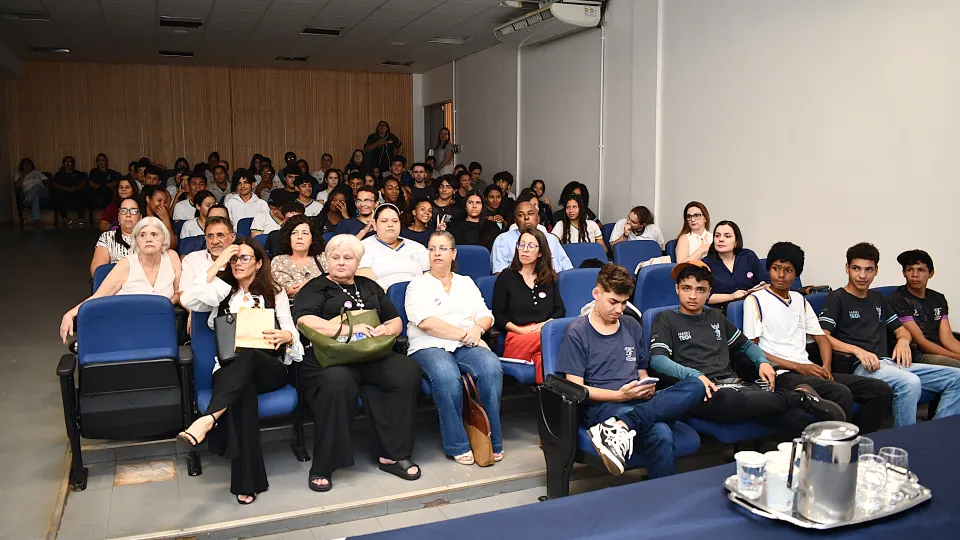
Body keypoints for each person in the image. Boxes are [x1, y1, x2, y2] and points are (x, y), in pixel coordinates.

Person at [649, 260, 846, 440]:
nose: (693, 296)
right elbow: (658, 360)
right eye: (686, 288)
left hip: (736, 386)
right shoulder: (666, 318)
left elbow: (746, 345)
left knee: (796, 418)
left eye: (700, 290)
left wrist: (762, 362)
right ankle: (800, 396)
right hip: (702, 391)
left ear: (709, 292)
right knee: (726, 400)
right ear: (677, 289)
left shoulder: (716, 317)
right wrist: (694, 375)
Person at [294, 234, 422, 491]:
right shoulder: (315, 287)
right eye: (335, 257)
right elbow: (304, 321)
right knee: (337, 384)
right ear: (327, 259)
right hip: (330, 358)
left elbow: (395, 321)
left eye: (348, 258)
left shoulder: (368, 285)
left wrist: (385, 331)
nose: (341, 262)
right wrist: (346, 329)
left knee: (406, 371)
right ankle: (324, 465)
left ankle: (392, 454)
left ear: (358, 261)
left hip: (370, 353)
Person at [178, 238, 301, 505]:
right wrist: (219, 263)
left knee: (251, 356)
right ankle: (247, 482)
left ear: (258, 263)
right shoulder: (221, 291)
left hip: (268, 368)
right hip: (231, 370)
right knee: (242, 390)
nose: (237, 263)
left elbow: (293, 333)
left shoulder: (273, 292)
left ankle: (209, 417)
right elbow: (188, 298)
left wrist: (286, 336)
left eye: (244, 258)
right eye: (234, 258)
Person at [557, 264, 707, 477]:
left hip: (638, 401)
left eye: (624, 302)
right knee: (660, 431)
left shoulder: (632, 325)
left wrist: (646, 386)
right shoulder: (577, 332)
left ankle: (624, 425)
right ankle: (667, 496)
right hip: (603, 406)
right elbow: (576, 390)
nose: (619, 309)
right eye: (613, 302)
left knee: (696, 384)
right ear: (596, 294)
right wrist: (619, 396)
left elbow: (641, 372)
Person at [743, 242, 892, 433]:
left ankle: (857, 440)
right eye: (776, 269)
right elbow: (753, 349)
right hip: (780, 374)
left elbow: (821, 338)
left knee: (879, 390)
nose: (781, 275)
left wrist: (826, 367)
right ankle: (832, 450)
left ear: (796, 274)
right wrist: (798, 367)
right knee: (840, 393)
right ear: (768, 269)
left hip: (807, 370)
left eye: (788, 270)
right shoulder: (755, 300)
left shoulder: (799, 299)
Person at [818, 242, 960, 427]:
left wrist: (902, 341)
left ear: (876, 270)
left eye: (868, 269)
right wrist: (857, 351)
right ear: (847, 268)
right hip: (861, 367)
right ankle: (906, 440)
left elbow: (902, 331)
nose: (862, 275)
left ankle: (937, 430)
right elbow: (822, 336)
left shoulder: (877, 298)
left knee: (956, 378)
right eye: (856, 269)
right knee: (910, 382)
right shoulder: (837, 298)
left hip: (890, 364)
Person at [406, 232, 504, 465]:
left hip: (467, 342)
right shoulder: (417, 284)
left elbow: (485, 315)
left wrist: (477, 330)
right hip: (428, 345)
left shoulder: (466, 282)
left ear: (453, 253)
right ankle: (457, 443)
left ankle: (492, 439)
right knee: (447, 375)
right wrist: (465, 334)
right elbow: (426, 323)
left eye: (442, 248)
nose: (437, 253)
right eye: (432, 249)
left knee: (491, 367)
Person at [61, 217, 182, 342]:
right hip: (126, 327)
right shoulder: (126, 264)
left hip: (160, 326)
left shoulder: (172, 257)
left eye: (154, 234)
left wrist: (163, 305)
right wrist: (70, 314)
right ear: (136, 241)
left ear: (164, 239)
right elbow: (99, 296)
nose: (148, 239)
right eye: (142, 235)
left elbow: (179, 292)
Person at [493, 228, 565, 384]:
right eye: (522, 245)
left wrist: (545, 325)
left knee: (544, 363)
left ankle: (550, 405)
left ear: (540, 253)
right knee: (565, 337)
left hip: (543, 336)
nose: (525, 249)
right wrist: (520, 330)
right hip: (518, 338)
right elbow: (497, 315)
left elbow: (560, 310)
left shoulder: (549, 278)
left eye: (531, 246)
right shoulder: (506, 277)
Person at [889, 250, 960, 368]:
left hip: (940, 350)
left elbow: (947, 338)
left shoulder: (938, 298)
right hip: (918, 354)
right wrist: (957, 357)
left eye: (921, 270)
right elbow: (921, 342)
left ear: (931, 273)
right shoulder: (898, 299)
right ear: (904, 273)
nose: (915, 274)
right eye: (910, 270)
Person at [356, 204, 429, 290]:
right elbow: (367, 283)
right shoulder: (364, 247)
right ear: (374, 225)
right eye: (384, 221)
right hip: (382, 299)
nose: (390, 224)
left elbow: (430, 278)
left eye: (395, 221)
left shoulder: (418, 247)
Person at [491, 200, 573, 274]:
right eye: (521, 215)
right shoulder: (503, 240)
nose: (526, 217)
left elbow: (568, 270)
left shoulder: (551, 239)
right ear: (515, 221)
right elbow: (499, 275)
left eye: (530, 214)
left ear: (538, 219)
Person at [703, 220, 766, 307]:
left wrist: (761, 288)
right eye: (717, 236)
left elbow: (766, 282)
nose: (721, 239)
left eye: (727, 236)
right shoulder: (706, 264)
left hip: (752, 306)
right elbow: (704, 297)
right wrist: (731, 296)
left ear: (736, 241)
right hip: (722, 311)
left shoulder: (748, 256)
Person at [179, 216, 236, 305]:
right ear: (205, 239)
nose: (215, 241)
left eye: (220, 235)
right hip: (202, 313)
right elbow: (184, 297)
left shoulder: (241, 258)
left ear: (232, 237)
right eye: (210, 236)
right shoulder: (192, 259)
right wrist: (218, 264)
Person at [271, 215, 326, 300]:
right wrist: (322, 283)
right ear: (289, 238)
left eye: (305, 233)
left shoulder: (322, 257)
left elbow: (335, 283)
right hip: (294, 308)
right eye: (294, 233)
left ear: (312, 238)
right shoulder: (279, 261)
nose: (299, 237)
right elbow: (291, 291)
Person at [90, 198, 142, 277]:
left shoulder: (149, 238)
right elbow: (97, 271)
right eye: (123, 211)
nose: (128, 215)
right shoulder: (107, 237)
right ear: (118, 217)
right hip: (115, 285)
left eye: (133, 211)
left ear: (140, 217)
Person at [52, 156, 89, 227]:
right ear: (63, 164)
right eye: (66, 162)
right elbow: (54, 184)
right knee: (59, 196)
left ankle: (80, 218)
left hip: (75, 191)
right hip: (63, 191)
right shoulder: (59, 174)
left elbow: (84, 182)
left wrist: (75, 188)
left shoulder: (77, 173)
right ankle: (65, 218)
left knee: (82, 194)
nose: (68, 164)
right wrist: (65, 188)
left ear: (73, 164)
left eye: (70, 162)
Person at [141, 185, 178, 250]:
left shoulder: (168, 220)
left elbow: (172, 245)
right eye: (159, 201)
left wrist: (166, 220)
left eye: (165, 202)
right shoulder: (139, 218)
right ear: (148, 199)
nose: (162, 205)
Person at [14, 158, 48, 227]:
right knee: (35, 196)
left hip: (41, 191)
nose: (28, 165)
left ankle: (26, 202)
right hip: (26, 192)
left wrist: (45, 186)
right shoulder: (18, 174)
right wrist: (23, 175)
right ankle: (37, 220)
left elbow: (46, 180)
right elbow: (17, 186)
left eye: (29, 164)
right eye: (25, 164)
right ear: (22, 166)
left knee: (36, 186)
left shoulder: (36, 172)